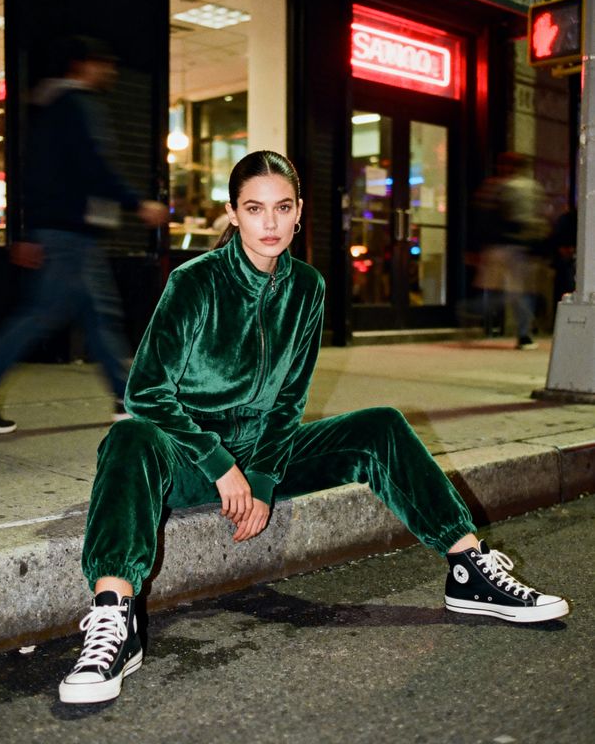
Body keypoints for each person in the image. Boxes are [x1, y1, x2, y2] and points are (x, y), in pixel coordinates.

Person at [59, 151, 569, 705]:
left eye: (282, 208)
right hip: (187, 456)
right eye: (255, 209)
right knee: (128, 437)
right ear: (233, 214)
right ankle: (116, 615)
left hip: (265, 454)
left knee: (381, 426)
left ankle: (468, 567)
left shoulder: (307, 288)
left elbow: (288, 402)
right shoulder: (195, 282)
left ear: (300, 212)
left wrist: (261, 477)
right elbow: (146, 391)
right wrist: (222, 466)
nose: (270, 224)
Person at [0, 36, 167, 434]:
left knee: (98, 316)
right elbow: (95, 165)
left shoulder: (51, 108)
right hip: (69, 235)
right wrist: (138, 202)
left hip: (65, 232)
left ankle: (125, 398)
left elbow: (37, 176)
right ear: (83, 65)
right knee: (44, 316)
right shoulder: (78, 106)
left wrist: (29, 230)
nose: (111, 72)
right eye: (106, 64)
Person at [472, 153, 550, 350]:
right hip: (517, 247)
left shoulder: (493, 186)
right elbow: (532, 220)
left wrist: (478, 246)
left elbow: (481, 218)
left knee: (501, 290)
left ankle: (473, 311)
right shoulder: (528, 188)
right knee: (521, 292)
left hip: (496, 247)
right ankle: (523, 334)